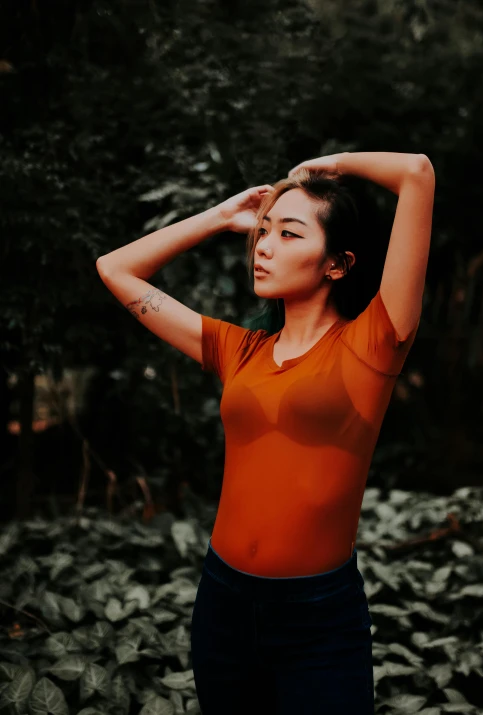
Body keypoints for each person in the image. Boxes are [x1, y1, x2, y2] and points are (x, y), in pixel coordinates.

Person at [96, 150, 435, 714]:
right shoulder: (239, 350)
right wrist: (221, 215)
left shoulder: (373, 344)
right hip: (223, 602)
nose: (264, 246)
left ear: (338, 264)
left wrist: (330, 164)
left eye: (290, 233)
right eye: (263, 232)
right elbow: (115, 269)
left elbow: (417, 173)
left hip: (318, 618)